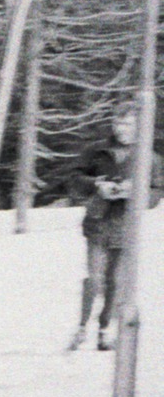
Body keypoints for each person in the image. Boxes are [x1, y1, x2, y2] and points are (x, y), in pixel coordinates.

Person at [68, 99, 163, 351]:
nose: (122, 129)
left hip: (126, 225)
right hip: (98, 222)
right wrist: (97, 185)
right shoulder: (95, 151)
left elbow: (156, 193)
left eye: (128, 124)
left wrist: (135, 193)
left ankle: (104, 329)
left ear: (139, 125)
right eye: (118, 123)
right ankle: (81, 327)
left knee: (116, 281)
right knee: (94, 279)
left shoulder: (150, 158)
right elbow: (75, 180)